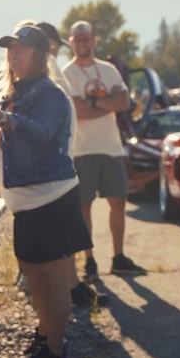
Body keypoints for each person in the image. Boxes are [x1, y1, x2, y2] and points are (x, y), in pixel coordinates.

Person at [0, 24, 92, 358]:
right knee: (35, 276)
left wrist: (3, 119)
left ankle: (56, 353)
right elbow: (15, 134)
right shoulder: (16, 92)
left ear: (40, 55)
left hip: (51, 198)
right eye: (10, 48)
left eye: (21, 48)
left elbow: (41, 131)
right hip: (27, 202)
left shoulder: (49, 92)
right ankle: (45, 335)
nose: (13, 53)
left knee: (53, 278)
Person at [62, 20, 145, 280]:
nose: (83, 43)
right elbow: (78, 111)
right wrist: (106, 103)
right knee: (84, 206)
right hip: (82, 149)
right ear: (71, 42)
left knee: (118, 201)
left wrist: (94, 101)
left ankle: (119, 257)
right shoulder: (67, 74)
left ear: (94, 41)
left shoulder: (108, 70)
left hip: (111, 148)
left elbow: (124, 102)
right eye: (78, 39)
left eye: (87, 38)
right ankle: (89, 260)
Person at [34, 21, 107, 308]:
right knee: (65, 225)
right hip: (61, 159)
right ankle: (70, 285)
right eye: (55, 45)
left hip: (61, 157)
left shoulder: (45, 68)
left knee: (62, 225)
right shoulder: (48, 67)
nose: (55, 50)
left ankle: (66, 283)